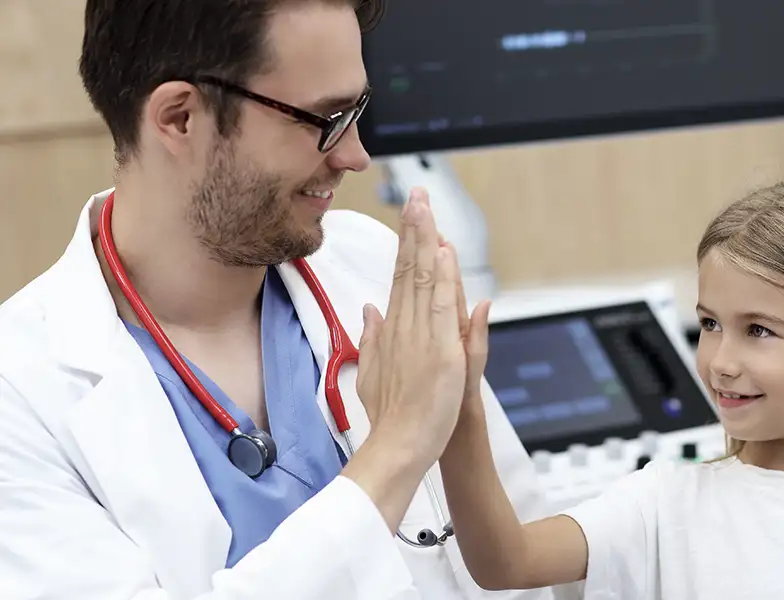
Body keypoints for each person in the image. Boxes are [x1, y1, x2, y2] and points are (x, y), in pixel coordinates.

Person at [0, 1, 570, 599]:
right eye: (324, 118)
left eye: (357, 112)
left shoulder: (377, 268)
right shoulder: (21, 396)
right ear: (179, 118)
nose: (354, 154)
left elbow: (532, 573)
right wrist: (397, 449)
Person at [438, 178, 784, 599]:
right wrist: (461, 411)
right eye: (710, 325)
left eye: (759, 330)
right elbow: (503, 562)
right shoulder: (664, 502)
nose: (721, 361)